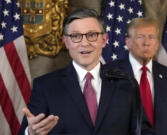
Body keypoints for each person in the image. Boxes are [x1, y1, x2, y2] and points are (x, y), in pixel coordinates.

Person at [18, 8, 154, 135]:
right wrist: (30, 133)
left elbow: (143, 131)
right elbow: (28, 130)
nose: (84, 43)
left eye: (92, 35)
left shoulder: (126, 83)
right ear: (66, 41)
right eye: (76, 36)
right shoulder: (45, 86)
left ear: (104, 40)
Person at [104, 17, 167, 135]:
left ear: (157, 44)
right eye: (140, 37)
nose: (146, 43)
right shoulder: (109, 74)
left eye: (151, 37)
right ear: (128, 42)